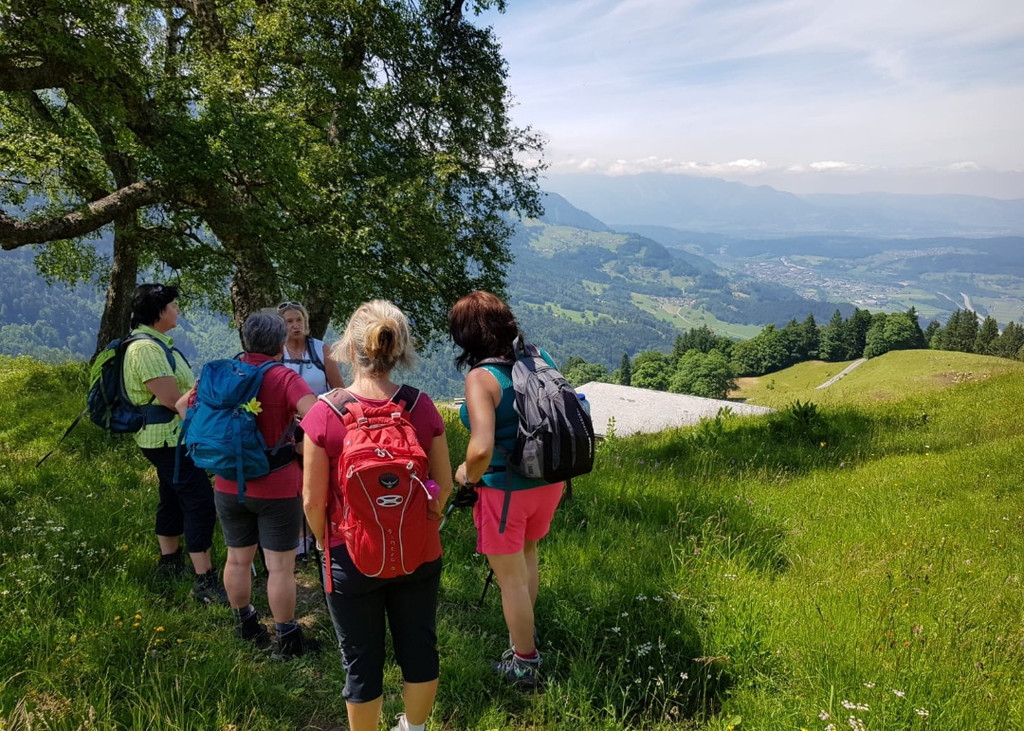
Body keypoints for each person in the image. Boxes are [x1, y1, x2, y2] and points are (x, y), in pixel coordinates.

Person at [302, 300, 453, 731]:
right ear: (399, 349)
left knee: (361, 660)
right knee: (419, 647)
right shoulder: (420, 406)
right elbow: (442, 484)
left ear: (350, 349)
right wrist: (425, 520)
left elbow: (312, 501)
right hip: (418, 549)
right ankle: (413, 728)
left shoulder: (324, 413)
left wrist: (324, 541)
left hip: (349, 553)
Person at [176, 311, 319, 656]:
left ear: (246, 341)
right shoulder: (283, 377)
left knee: (237, 560)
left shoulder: (221, 374)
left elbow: (182, 407)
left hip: (228, 483)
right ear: (281, 344)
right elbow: (320, 421)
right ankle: (287, 638)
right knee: (280, 567)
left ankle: (246, 625)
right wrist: (299, 442)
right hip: (277, 485)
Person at [448, 291, 563, 691]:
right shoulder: (538, 356)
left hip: (506, 490)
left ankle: (525, 664)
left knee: (510, 580)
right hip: (548, 480)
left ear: (466, 336)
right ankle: (524, 634)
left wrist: (466, 475)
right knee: (528, 556)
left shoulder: (481, 379)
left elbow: (480, 448)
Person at [123, 283, 225, 603]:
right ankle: (204, 580)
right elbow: (172, 400)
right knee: (199, 501)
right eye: (173, 306)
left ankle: (169, 564)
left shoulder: (155, 344)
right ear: (159, 312)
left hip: (168, 437)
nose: (177, 310)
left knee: (171, 496)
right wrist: (208, 390)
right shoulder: (146, 350)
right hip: (169, 438)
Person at [277, 301, 344, 395]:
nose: (296, 326)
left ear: (305, 322)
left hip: (318, 404)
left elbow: (340, 392)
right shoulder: (275, 352)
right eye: (289, 321)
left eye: (299, 320)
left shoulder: (323, 350)